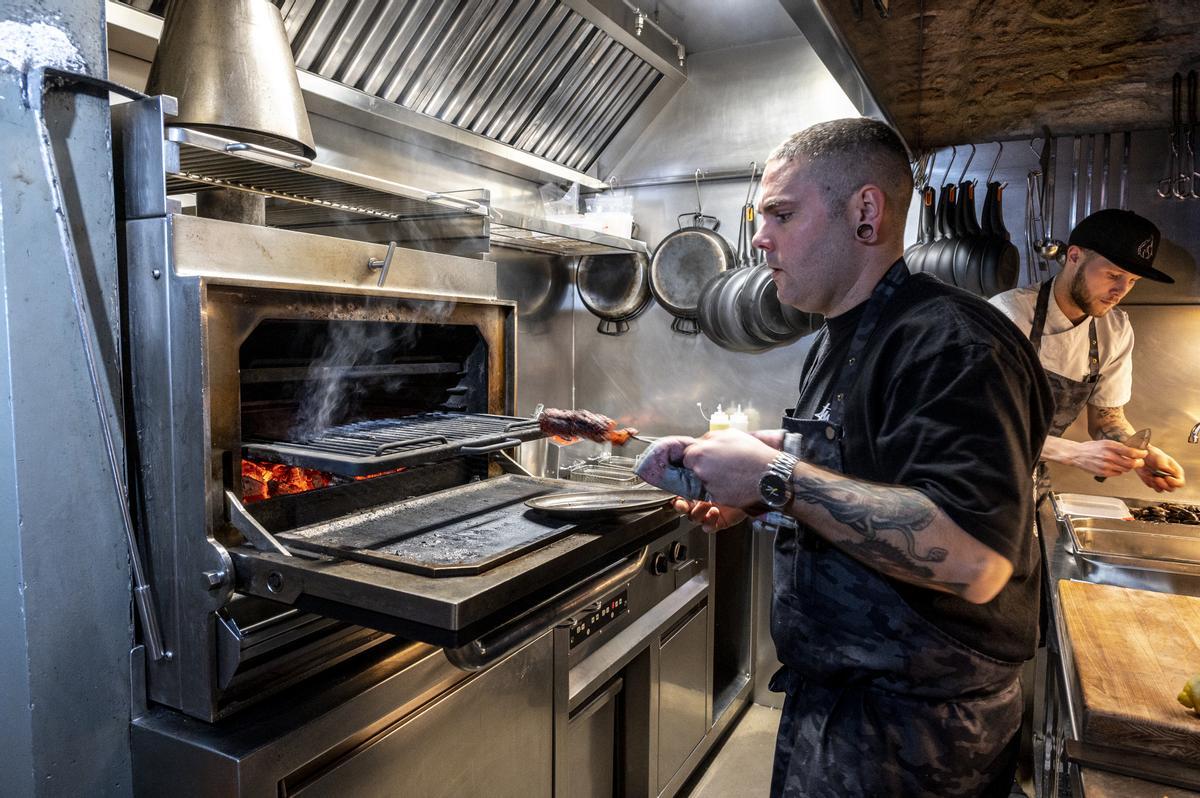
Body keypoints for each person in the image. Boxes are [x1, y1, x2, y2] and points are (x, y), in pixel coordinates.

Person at [640, 118, 1054, 796]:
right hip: (839, 709)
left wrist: (775, 479)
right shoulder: (845, 336)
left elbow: (975, 561)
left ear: (865, 212)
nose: (759, 238)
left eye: (780, 213)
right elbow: (859, 460)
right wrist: (753, 477)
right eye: (758, 217)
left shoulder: (950, 345)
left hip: (920, 738)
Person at [989, 209, 1186, 492]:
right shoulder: (1008, 315)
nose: (1120, 291)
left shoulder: (1114, 331)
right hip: (970, 481)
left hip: (1027, 486)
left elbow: (1107, 419)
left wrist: (1138, 455)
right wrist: (1074, 452)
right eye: (1113, 275)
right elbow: (975, 419)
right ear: (1074, 257)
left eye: (1132, 281)